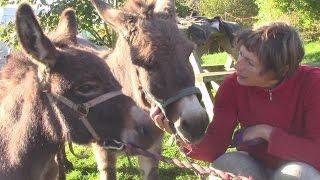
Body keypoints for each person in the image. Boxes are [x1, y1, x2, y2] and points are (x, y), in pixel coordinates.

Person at [150, 22, 320, 179]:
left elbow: (316, 153)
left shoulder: (313, 84)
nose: (237, 66)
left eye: (250, 63)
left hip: (304, 165)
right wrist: (183, 134)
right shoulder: (233, 86)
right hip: (255, 164)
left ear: (281, 70)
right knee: (224, 166)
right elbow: (215, 146)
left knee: (299, 174)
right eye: (240, 55)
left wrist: (266, 133)